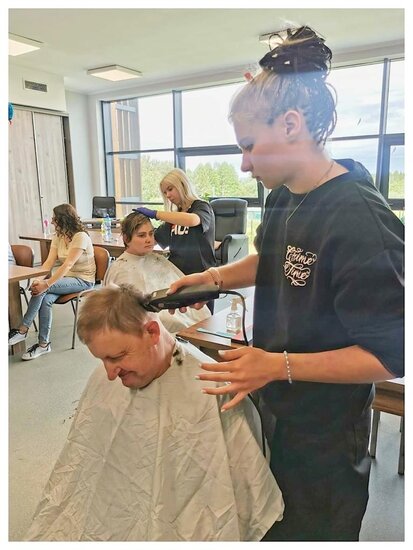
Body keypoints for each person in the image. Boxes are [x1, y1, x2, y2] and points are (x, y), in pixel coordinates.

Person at [167, 26, 404, 541]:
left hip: (326, 434)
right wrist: (211, 277)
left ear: (292, 124)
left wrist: (277, 365)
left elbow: (389, 357)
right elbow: (273, 258)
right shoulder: (282, 195)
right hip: (276, 404)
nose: (244, 164)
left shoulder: (360, 218)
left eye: (249, 146)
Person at [25, 285, 284, 541]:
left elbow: (233, 493)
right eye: (101, 359)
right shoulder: (106, 378)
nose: (110, 374)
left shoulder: (210, 388)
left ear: (152, 332)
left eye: (117, 357)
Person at [8, 203, 96, 360]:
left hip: (83, 280)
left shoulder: (80, 237)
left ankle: (22, 329)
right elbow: (48, 263)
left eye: (55, 219)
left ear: (64, 220)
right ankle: (43, 345)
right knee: (45, 298)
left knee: (44, 290)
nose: (52, 221)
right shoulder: (58, 237)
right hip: (66, 279)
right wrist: (38, 280)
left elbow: (68, 264)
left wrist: (46, 284)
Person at [103, 211, 211, 332]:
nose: (149, 240)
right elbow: (127, 316)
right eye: (142, 235)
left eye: (151, 234)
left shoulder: (157, 259)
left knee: (202, 316)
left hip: (181, 314)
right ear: (126, 239)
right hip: (157, 326)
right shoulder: (121, 269)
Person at [133, 168, 216, 276]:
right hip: (176, 274)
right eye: (165, 192)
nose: (167, 195)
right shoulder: (174, 218)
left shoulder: (202, 207)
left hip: (201, 275)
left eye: (170, 189)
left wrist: (155, 214)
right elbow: (154, 239)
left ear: (182, 185)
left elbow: (192, 220)